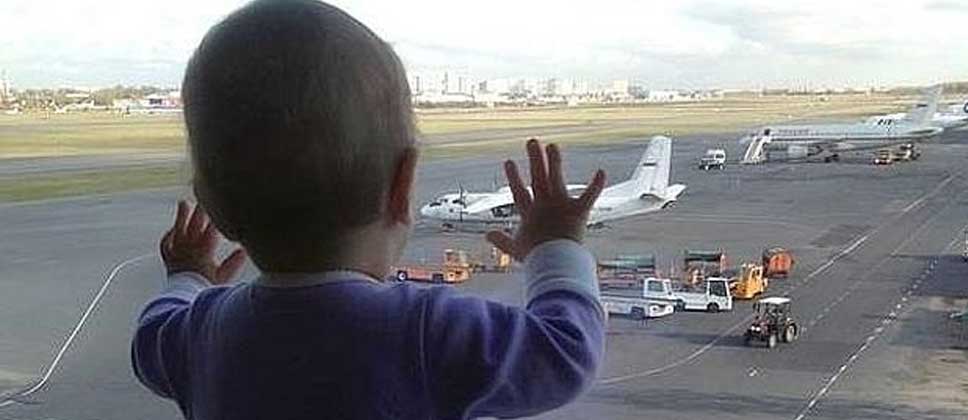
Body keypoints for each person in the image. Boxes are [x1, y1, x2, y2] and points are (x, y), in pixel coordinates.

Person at [131, 1, 608, 419]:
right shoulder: (426, 331)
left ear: (212, 204)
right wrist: (556, 246)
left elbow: (151, 335)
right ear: (403, 188)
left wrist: (188, 275)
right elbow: (564, 354)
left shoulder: (198, 335)